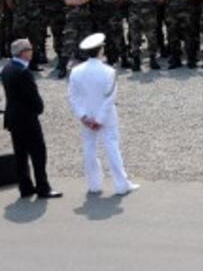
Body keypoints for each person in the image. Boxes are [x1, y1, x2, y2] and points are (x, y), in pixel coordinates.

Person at [67, 33, 139, 196]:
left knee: (89, 149)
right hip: (106, 116)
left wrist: (83, 117)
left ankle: (94, 184)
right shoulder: (108, 71)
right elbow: (110, 98)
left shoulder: (76, 71)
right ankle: (122, 185)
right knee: (112, 148)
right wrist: (99, 119)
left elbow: (73, 96)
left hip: (86, 116)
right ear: (100, 50)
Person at [1, 38, 60, 199]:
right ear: (23, 53)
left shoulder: (7, 69)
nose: (31, 53)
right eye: (29, 50)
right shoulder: (23, 72)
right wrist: (39, 108)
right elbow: (32, 97)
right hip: (26, 119)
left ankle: (25, 187)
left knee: (20, 155)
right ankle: (43, 187)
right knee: (38, 154)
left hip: (12, 118)